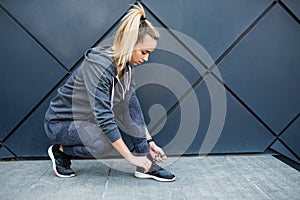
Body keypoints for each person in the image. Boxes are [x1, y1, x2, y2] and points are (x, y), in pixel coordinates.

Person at [44, 3, 176, 182]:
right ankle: (60, 151)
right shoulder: (98, 66)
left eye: (149, 53)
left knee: (127, 111)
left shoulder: (126, 70)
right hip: (62, 123)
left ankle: (145, 167)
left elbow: (132, 110)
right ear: (130, 43)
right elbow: (104, 116)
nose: (146, 59)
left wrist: (148, 145)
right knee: (105, 144)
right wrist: (130, 158)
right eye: (144, 52)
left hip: (89, 123)